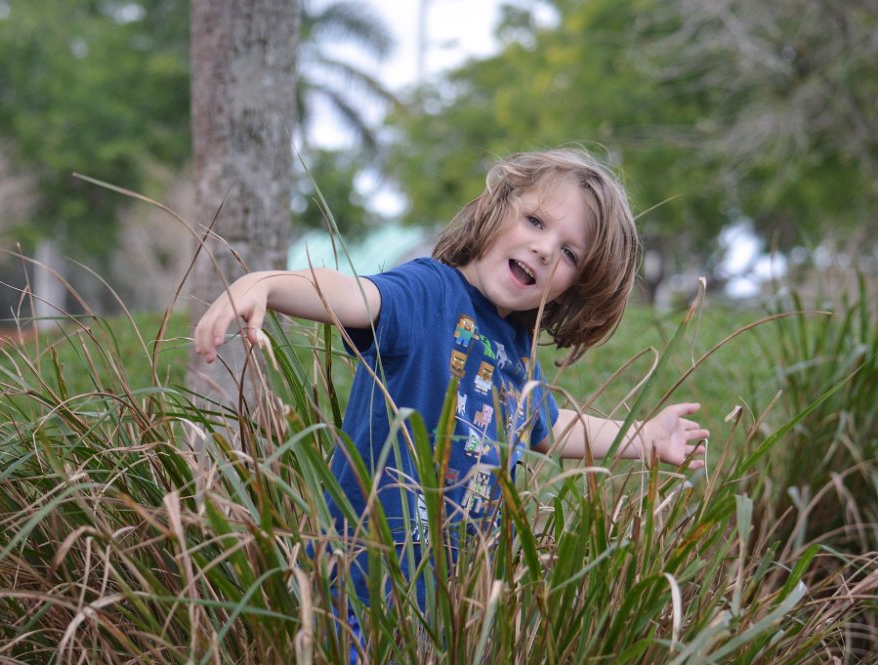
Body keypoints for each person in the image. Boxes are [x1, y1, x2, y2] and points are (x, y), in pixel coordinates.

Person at [193, 148, 708, 617]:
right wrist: (264, 283)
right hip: (359, 589)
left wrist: (644, 438)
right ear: (495, 209)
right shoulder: (430, 292)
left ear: (575, 287)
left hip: (449, 606)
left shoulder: (516, 352)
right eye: (535, 221)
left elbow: (549, 428)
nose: (545, 249)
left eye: (570, 253)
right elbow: (352, 295)